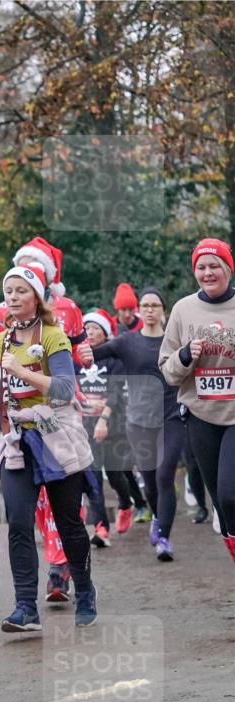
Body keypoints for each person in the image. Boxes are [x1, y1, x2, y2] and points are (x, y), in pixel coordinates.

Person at [0, 263, 97, 631]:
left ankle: (86, 591)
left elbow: (62, 388)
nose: (12, 297)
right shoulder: (1, 341)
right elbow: (1, 385)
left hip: (55, 439)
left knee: (69, 524)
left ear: (37, 297)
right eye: (8, 291)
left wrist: (22, 371)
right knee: (18, 522)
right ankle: (25, 607)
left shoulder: (53, 335)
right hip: (17, 442)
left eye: (20, 291)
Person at [92, 287, 183, 561]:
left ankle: (164, 539)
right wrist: (74, 345)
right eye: (145, 305)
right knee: (151, 482)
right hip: (140, 421)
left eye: (155, 305)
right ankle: (156, 517)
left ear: (163, 310)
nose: (150, 309)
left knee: (165, 474)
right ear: (139, 310)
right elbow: (93, 354)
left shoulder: (175, 340)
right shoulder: (126, 342)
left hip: (172, 417)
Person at [159, 237, 235, 563]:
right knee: (219, 501)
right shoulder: (183, 309)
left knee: (231, 495)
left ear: (228, 269)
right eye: (201, 267)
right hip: (201, 414)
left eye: (214, 265)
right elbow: (168, 370)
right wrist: (186, 354)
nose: (208, 272)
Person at [79, 309, 140, 541]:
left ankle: (126, 504)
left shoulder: (114, 359)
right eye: (87, 329)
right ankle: (101, 528)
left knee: (115, 476)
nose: (91, 332)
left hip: (113, 424)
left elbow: (115, 394)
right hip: (86, 425)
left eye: (96, 328)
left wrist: (103, 419)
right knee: (93, 477)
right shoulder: (77, 358)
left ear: (105, 333)